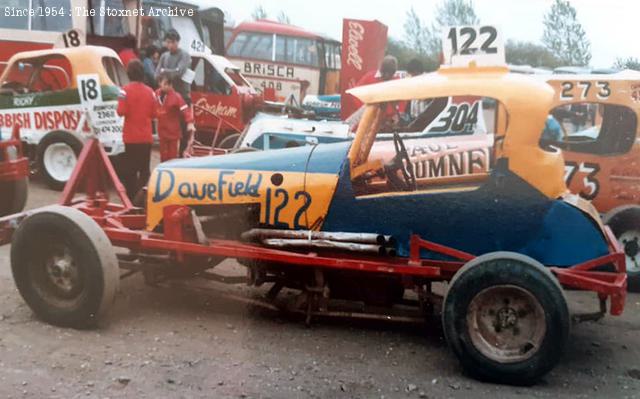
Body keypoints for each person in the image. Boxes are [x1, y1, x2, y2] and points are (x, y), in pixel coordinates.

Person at [117, 60, 158, 200]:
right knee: (144, 170)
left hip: (130, 137)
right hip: (146, 137)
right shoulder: (150, 92)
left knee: (130, 170)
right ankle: (142, 196)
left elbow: (120, 111)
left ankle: (131, 197)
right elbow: (154, 114)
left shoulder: (124, 91)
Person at [155, 29, 193, 155]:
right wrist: (169, 72)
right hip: (167, 97)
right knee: (167, 127)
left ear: (177, 42)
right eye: (167, 42)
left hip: (182, 96)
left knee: (183, 129)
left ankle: (182, 154)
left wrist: (164, 71)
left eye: (172, 42)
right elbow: (156, 74)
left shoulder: (184, 55)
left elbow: (179, 72)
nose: (170, 45)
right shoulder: (164, 56)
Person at [156, 73, 196, 161]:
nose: (166, 86)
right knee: (163, 157)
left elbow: (185, 109)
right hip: (162, 132)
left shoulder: (176, 97)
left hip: (173, 134)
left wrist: (190, 122)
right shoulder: (157, 94)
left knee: (172, 157)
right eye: (164, 83)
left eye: (168, 84)